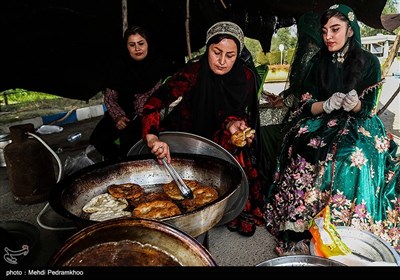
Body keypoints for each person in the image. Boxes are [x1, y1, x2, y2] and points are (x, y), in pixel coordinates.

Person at [263, 4, 400, 255]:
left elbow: (369, 108)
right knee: (304, 145)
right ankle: (302, 230)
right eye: (325, 30)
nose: (328, 36)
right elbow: (305, 104)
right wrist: (324, 105)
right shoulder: (318, 62)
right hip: (321, 122)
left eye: (335, 29)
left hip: (360, 124)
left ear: (350, 30)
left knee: (353, 156)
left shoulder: (368, 60)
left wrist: (356, 104)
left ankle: (348, 233)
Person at [141, 21, 267, 236]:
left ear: (239, 54)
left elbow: (235, 112)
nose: (222, 61)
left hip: (220, 132)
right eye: (216, 52)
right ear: (207, 48)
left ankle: (234, 210)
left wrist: (234, 124)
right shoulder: (193, 72)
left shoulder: (244, 77)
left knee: (239, 149)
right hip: (187, 131)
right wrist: (152, 137)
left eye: (230, 55)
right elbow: (154, 103)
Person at [89, 25, 175, 160]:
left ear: (148, 44)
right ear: (126, 47)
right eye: (132, 45)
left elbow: (158, 98)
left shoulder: (158, 66)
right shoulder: (118, 68)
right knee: (99, 138)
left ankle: (127, 162)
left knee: (133, 147)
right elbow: (110, 98)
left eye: (141, 43)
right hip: (121, 111)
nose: (137, 49)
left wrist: (142, 114)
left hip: (146, 116)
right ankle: (116, 161)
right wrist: (118, 116)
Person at [259, 12, 323, 186]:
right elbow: (297, 88)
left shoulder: (315, 54)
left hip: (308, 113)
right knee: (260, 114)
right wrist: (282, 97)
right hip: (296, 106)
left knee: (260, 120)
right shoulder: (309, 50)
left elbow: (308, 95)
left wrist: (285, 101)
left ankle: (270, 172)